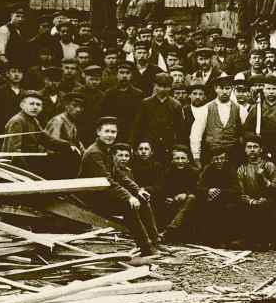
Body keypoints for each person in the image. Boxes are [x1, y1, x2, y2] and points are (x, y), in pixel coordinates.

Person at [79, 116, 161, 258]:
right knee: (128, 206)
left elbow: (119, 175)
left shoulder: (106, 150)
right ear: (98, 132)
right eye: (107, 131)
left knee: (142, 199)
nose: (110, 135)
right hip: (92, 196)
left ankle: (155, 241)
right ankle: (146, 247)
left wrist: (138, 190)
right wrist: (129, 197)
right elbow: (108, 180)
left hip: (103, 191)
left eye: (113, 132)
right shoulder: (95, 153)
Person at [235, 133, 276, 248]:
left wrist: (264, 179)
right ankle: (247, 240)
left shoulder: (269, 165)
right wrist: (252, 201)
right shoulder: (242, 168)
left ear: (261, 149)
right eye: (249, 147)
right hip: (249, 203)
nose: (252, 150)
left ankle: (263, 241)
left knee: (266, 209)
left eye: (255, 147)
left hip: (268, 201)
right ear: (245, 150)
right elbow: (241, 192)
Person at [130, 72, 187, 159]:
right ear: (155, 86)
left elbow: (180, 129)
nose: (163, 89)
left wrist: (178, 147)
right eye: (160, 86)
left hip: (168, 144)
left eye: (166, 86)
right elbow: (138, 126)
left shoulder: (175, 105)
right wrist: (135, 144)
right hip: (149, 143)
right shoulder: (146, 103)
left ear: (170, 87)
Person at [194, 146, 241, 246]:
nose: (219, 161)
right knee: (202, 206)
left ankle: (224, 239)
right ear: (212, 160)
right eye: (216, 159)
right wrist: (208, 190)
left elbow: (236, 189)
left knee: (229, 209)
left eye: (222, 158)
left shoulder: (230, 169)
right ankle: (207, 239)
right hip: (210, 198)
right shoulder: (207, 169)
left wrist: (220, 192)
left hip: (226, 199)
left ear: (226, 158)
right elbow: (198, 187)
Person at [158, 145, 200, 239]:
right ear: (172, 160)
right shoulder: (167, 173)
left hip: (191, 204)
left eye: (183, 158)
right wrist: (169, 197)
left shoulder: (195, 172)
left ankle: (169, 230)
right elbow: (162, 189)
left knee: (191, 198)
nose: (180, 161)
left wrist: (186, 194)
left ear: (188, 160)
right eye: (177, 158)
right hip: (173, 202)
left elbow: (198, 189)